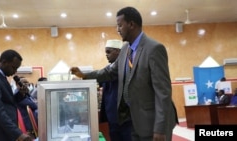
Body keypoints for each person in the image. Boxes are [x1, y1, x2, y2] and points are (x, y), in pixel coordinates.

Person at [71, 7, 178, 141]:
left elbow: (163, 93)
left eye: (120, 25)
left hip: (152, 124)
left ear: (131, 24)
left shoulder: (154, 49)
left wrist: (160, 128)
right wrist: (84, 75)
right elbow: (109, 72)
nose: (118, 29)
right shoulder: (125, 50)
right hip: (132, 121)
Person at [0, 49, 33, 141]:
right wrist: (18, 134)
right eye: (14, 67)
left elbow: (8, 102)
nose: (15, 71)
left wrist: (20, 94)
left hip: (4, 131)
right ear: (4, 62)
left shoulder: (0, 76)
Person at [99, 39, 132, 141]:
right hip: (112, 118)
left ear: (118, 52)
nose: (106, 55)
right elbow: (98, 80)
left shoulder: (127, 68)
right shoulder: (107, 69)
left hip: (126, 119)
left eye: (109, 52)